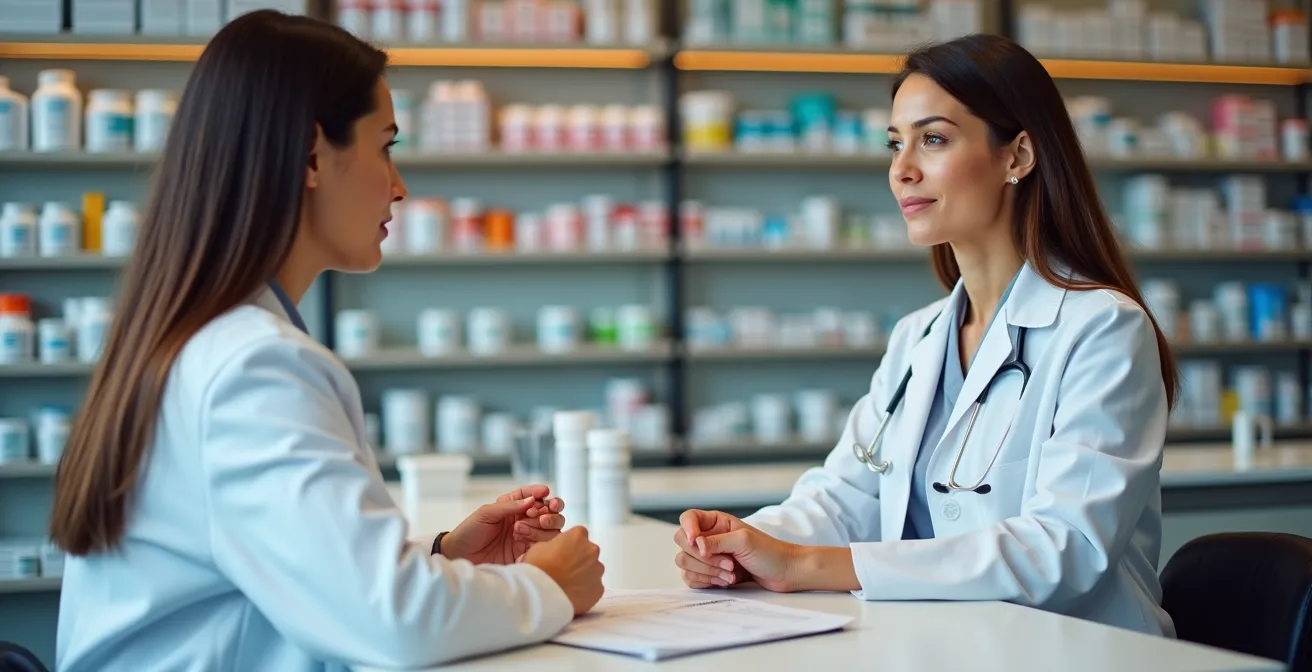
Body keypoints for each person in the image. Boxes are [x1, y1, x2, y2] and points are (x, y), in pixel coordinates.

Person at [48, 11, 604, 670]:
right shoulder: (255, 364)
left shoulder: (200, 338)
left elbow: (270, 568)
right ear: (313, 155)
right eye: (384, 145)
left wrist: (441, 558)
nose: (398, 188)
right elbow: (394, 625)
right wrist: (546, 587)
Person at [672, 33, 1180, 638]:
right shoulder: (921, 337)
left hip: (1081, 650)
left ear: (1018, 156)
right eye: (895, 143)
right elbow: (845, 498)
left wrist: (806, 565)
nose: (901, 170)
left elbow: (1064, 548)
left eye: (932, 139)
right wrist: (742, 542)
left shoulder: (1103, 328)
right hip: (947, 644)